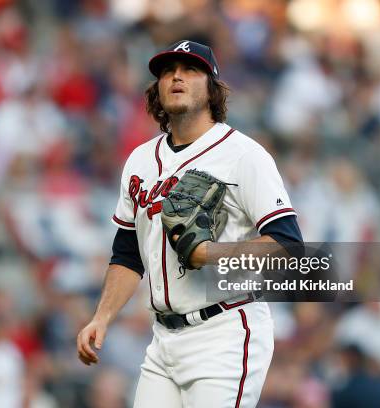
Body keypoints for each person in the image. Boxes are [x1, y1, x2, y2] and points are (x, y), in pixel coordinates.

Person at [77, 40, 303, 407]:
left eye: (190, 69)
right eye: (167, 71)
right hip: (163, 340)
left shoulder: (244, 155)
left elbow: (287, 244)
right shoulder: (140, 160)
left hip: (225, 329)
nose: (176, 76)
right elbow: (128, 253)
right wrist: (101, 318)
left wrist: (210, 253)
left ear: (211, 87)